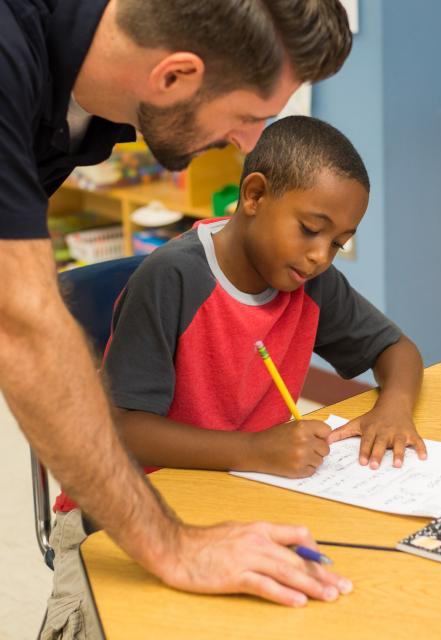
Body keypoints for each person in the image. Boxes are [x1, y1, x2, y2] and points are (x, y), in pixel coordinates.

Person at [0, 0, 355, 623]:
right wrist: (172, 545)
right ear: (174, 76)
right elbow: (23, 324)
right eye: (250, 118)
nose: (249, 144)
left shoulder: (100, 97)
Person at [48, 115, 427, 636]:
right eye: (311, 230)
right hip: (129, 508)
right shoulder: (173, 278)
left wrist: (394, 407)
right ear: (254, 195)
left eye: (338, 243)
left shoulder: (308, 281)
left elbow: (397, 349)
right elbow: (123, 430)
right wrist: (254, 450)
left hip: (240, 494)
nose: (321, 256)